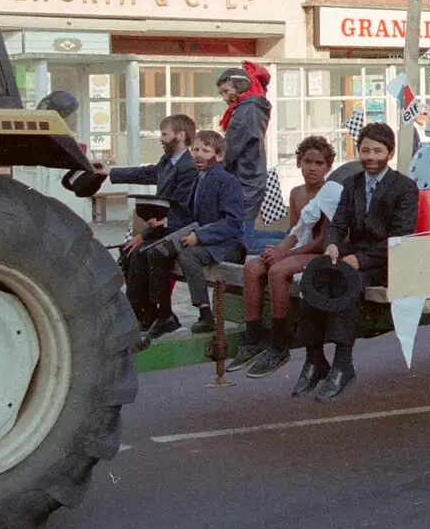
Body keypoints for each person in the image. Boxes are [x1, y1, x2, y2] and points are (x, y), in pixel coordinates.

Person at [299, 123, 417, 402]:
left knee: (347, 286)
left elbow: (400, 237)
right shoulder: (351, 183)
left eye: (378, 151)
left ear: (390, 152)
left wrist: (360, 260)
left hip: (386, 259)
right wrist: (331, 245)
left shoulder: (404, 187)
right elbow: (338, 225)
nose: (371, 157)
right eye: (365, 151)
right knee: (312, 279)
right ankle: (314, 359)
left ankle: (343, 364)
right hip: (353, 253)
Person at [233, 135, 336, 377]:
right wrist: (278, 251)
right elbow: (295, 232)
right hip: (298, 250)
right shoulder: (296, 192)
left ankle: (279, 343)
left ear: (328, 167)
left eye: (319, 163)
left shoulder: (331, 193)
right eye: (307, 161)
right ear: (299, 162)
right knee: (253, 267)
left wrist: (285, 255)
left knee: (278, 271)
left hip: (322, 253)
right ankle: (254, 335)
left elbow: (323, 241)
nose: (312, 168)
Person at [143, 130, 245, 339]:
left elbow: (232, 223)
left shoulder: (226, 181)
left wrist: (199, 237)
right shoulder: (200, 178)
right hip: (201, 236)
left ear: (218, 156)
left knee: (187, 255)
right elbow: (190, 215)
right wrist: (166, 223)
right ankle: (164, 314)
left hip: (226, 245)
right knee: (154, 252)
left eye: (205, 151)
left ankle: (205, 314)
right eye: (195, 149)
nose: (198, 155)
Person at [113, 114, 199, 340]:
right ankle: (142, 312)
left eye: (164, 134)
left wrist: (145, 234)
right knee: (129, 251)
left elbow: (180, 211)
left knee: (141, 252)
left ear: (180, 136)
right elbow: (146, 173)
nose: (161, 139)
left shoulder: (187, 168)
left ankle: (148, 313)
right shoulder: (168, 161)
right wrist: (109, 173)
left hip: (178, 228)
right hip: (165, 227)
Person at [217, 63, 272, 226]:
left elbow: (230, 148)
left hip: (245, 179)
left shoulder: (246, 110)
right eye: (222, 93)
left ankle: (290, 245)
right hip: (250, 176)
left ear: (240, 86)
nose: (225, 98)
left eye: (227, 91)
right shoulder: (252, 107)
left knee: (242, 236)